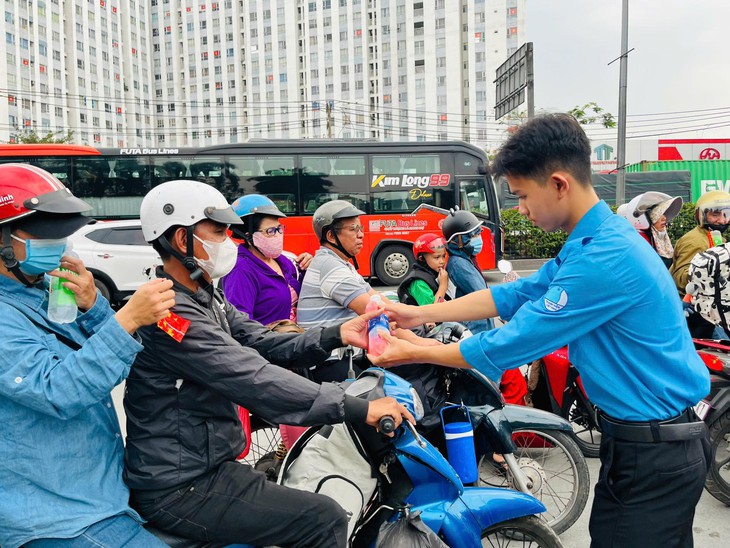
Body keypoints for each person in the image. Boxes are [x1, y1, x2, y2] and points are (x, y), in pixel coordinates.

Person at [368, 114, 711, 548]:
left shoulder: (604, 257)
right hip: (640, 443)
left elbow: (516, 339)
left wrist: (415, 351)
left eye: (523, 195)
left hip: (655, 451)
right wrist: (414, 315)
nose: (522, 209)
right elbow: (514, 294)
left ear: (559, 184)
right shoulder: (590, 241)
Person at [123, 180, 413, 548]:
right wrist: (358, 408)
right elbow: (251, 375)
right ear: (183, 240)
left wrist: (337, 334)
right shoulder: (170, 313)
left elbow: (262, 339)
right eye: (219, 232)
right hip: (181, 484)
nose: (229, 242)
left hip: (205, 464)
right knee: (324, 519)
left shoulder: (205, 296)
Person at [0, 163, 175, 548]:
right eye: (44, 232)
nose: (59, 243)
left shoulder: (43, 291)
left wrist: (94, 305)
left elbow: (110, 365)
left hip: (100, 489)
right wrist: (127, 319)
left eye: (62, 233)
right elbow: (57, 391)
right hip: (55, 513)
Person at [221, 194, 312, 325]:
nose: (278, 235)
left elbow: (300, 294)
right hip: (269, 338)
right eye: (270, 231)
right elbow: (241, 324)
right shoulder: (240, 270)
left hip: (295, 336)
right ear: (248, 236)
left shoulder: (282, 261)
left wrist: (307, 269)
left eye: (279, 229)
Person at [670, 190, 730, 338]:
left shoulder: (717, 238)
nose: (722, 220)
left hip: (712, 305)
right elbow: (681, 278)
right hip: (695, 310)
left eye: (726, 214)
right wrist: (708, 270)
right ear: (701, 216)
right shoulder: (694, 241)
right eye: (715, 215)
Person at [441, 207, 494, 334]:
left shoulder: (466, 259)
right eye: (474, 235)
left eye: (478, 234)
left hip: (481, 323)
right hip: (475, 328)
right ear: (458, 240)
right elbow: (483, 294)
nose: (478, 238)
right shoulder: (458, 264)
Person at [617, 191, 682, 268]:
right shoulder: (639, 241)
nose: (664, 218)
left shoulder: (657, 237)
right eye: (658, 213)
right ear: (645, 217)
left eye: (664, 213)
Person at [396, 233, 450, 309]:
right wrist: (443, 285)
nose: (442, 261)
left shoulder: (433, 273)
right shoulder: (419, 283)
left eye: (443, 256)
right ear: (422, 259)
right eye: (437, 257)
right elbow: (431, 310)